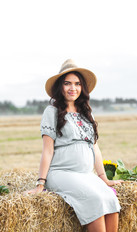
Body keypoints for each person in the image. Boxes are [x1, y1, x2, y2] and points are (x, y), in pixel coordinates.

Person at [26, 59, 123, 232]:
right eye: (67, 83)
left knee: (111, 200)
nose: (73, 88)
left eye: (77, 84)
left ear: (82, 87)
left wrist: (103, 178)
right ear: (60, 87)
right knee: (95, 200)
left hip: (85, 174)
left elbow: (95, 147)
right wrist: (40, 183)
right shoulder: (52, 111)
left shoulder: (86, 111)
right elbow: (47, 150)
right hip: (61, 173)